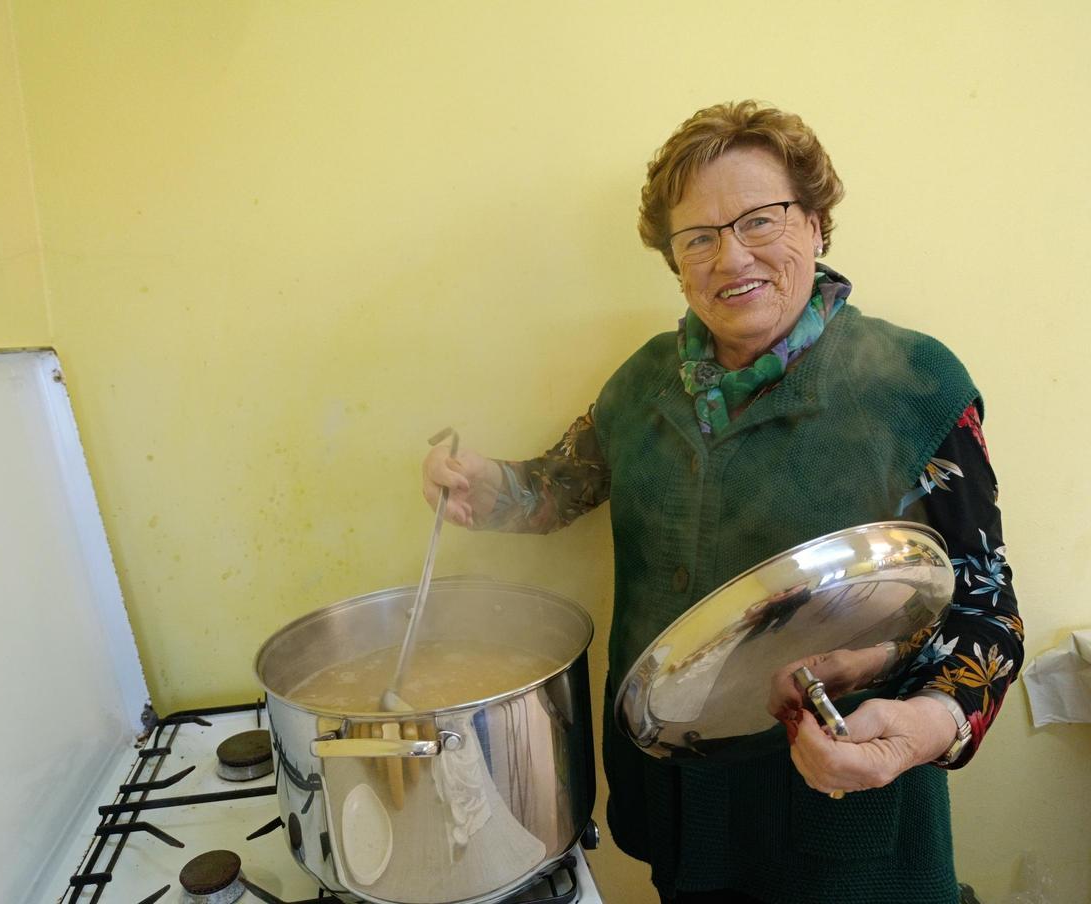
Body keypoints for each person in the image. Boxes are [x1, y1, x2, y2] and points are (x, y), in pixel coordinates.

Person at [421, 101, 1022, 904]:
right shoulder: (642, 382)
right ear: (675, 260)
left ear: (815, 224)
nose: (729, 256)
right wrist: (486, 486)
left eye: (759, 221)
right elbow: (559, 487)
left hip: (842, 808)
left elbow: (988, 614)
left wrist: (925, 729)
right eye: (697, 237)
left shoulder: (915, 386)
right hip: (679, 808)